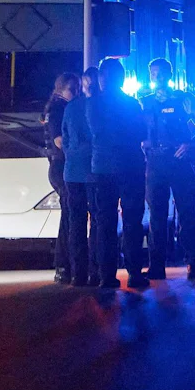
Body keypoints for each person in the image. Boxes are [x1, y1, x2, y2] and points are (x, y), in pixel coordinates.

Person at [141, 58, 195, 280]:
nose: (157, 77)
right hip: (155, 163)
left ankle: (192, 262)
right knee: (156, 216)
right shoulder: (144, 102)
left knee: (187, 213)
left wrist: (191, 143)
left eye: (161, 73)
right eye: (154, 73)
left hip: (179, 162)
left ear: (170, 75)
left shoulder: (184, 99)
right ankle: (156, 266)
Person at [87, 57, 148, 290]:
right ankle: (134, 273)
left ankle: (106, 275)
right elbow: (142, 133)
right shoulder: (132, 104)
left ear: (101, 78)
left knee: (105, 222)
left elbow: (92, 133)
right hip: (130, 166)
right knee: (132, 220)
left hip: (102, 167)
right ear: (122, 79)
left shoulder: (91, 104)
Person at [61, 67, 101, 286]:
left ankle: (78, 273)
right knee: (97, 221)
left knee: (75, 223)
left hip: (72, 172)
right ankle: (96, 271)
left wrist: (72, 154)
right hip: (95, 171)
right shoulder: (100, 106)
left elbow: (65, 138)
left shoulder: (71, 107)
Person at [44, 73, 80, 284]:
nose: (75, 93)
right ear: (61, 90)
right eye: (72, 89)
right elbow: (59, 141)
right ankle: (63, 265)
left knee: (69, 216)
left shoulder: (57, 107)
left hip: (60, 166)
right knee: (68, 217)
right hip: (62, 166)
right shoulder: (59, 109)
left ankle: (65, 265)